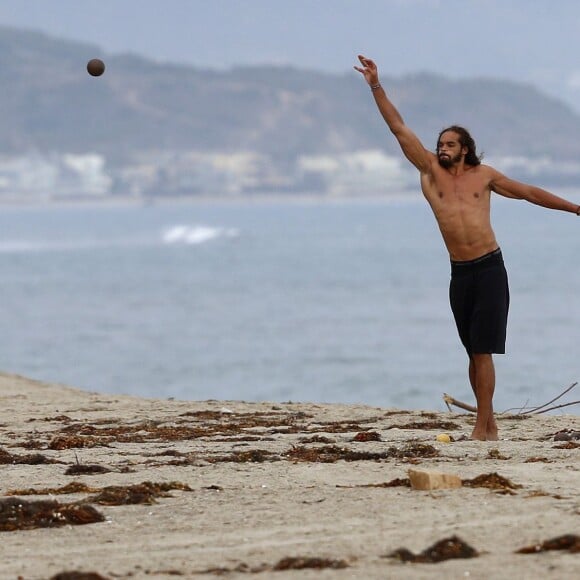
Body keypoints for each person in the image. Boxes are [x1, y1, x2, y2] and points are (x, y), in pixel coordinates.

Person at [354, 55, 580, 441]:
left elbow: (527, 193)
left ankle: (482, 427)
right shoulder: (429, 171)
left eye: (450, 144)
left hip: (491, 268)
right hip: (460, 273)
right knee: (472, 351)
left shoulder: (484, 176)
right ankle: (488, 425)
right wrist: (376, 85)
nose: (442, 148)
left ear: (465, 149)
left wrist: (575, 208)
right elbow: (397, 127)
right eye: (440, 143)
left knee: (483, 351)